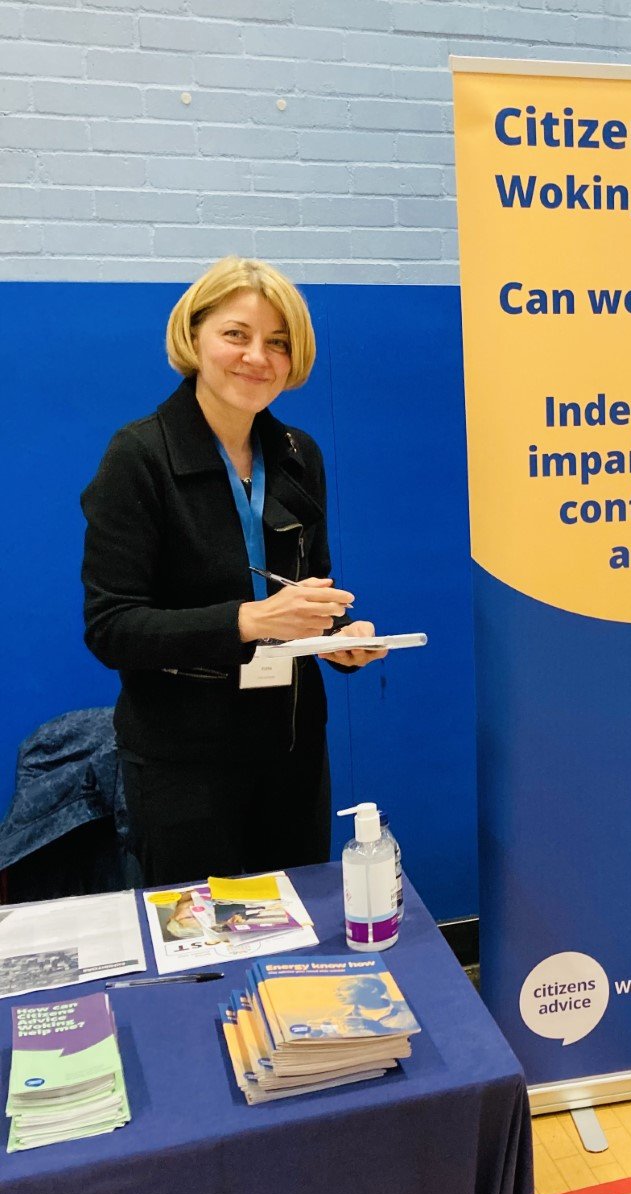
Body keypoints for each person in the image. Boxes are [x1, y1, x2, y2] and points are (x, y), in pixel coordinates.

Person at [82, 257, 386, 889]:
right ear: (195, 337)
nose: (258, 357)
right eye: (237, 334)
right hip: (182, 765)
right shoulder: (138, 456)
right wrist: (249, 620)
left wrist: (339, 637)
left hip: (293, 750)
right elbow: (113, 628)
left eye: (279, 342)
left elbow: (311, 592)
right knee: (202, 958)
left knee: (303, 937)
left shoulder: (299, 455)